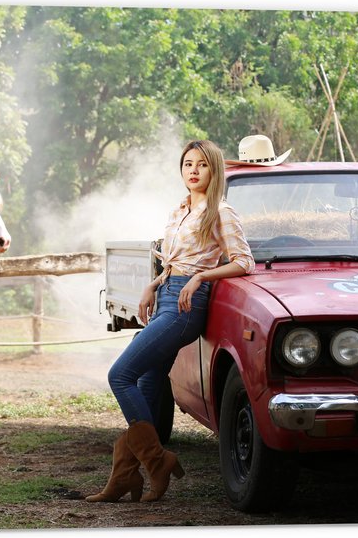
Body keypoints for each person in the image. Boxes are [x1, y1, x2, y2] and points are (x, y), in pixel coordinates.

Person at [86, 139, 255, 503]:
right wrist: (155, 281)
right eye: (187, 164)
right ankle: (125, 479)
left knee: (120, 375)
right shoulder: (179, 210)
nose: (193, 171)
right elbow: (174, 261)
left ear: (214, 170)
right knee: (146, 381)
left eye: (202, 165)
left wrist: (200, 278)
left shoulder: (221, 211)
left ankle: (157, 461)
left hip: (186, 306)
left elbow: (244, 262)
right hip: (167, 292)